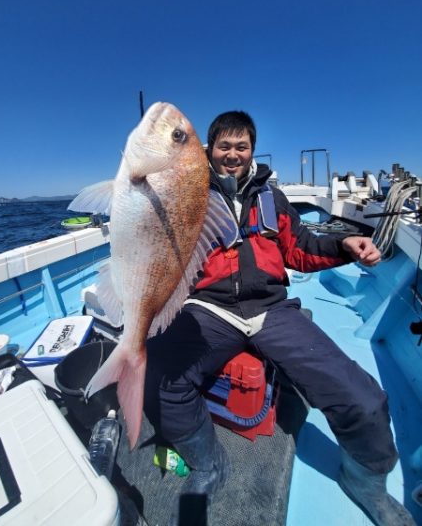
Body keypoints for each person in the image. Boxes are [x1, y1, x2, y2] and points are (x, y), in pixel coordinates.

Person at [144, 110, 415, 526]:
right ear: (209, 150)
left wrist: (346, 245)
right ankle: (208, 462)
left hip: (270, 308)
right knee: (158, 374)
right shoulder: (187, 195)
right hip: (210, 308)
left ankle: (364, 482)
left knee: (364, 398)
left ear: (251, 150)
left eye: (241, 146)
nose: (232, 155)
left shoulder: (273, 198)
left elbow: (300, 247)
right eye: (224, 146)